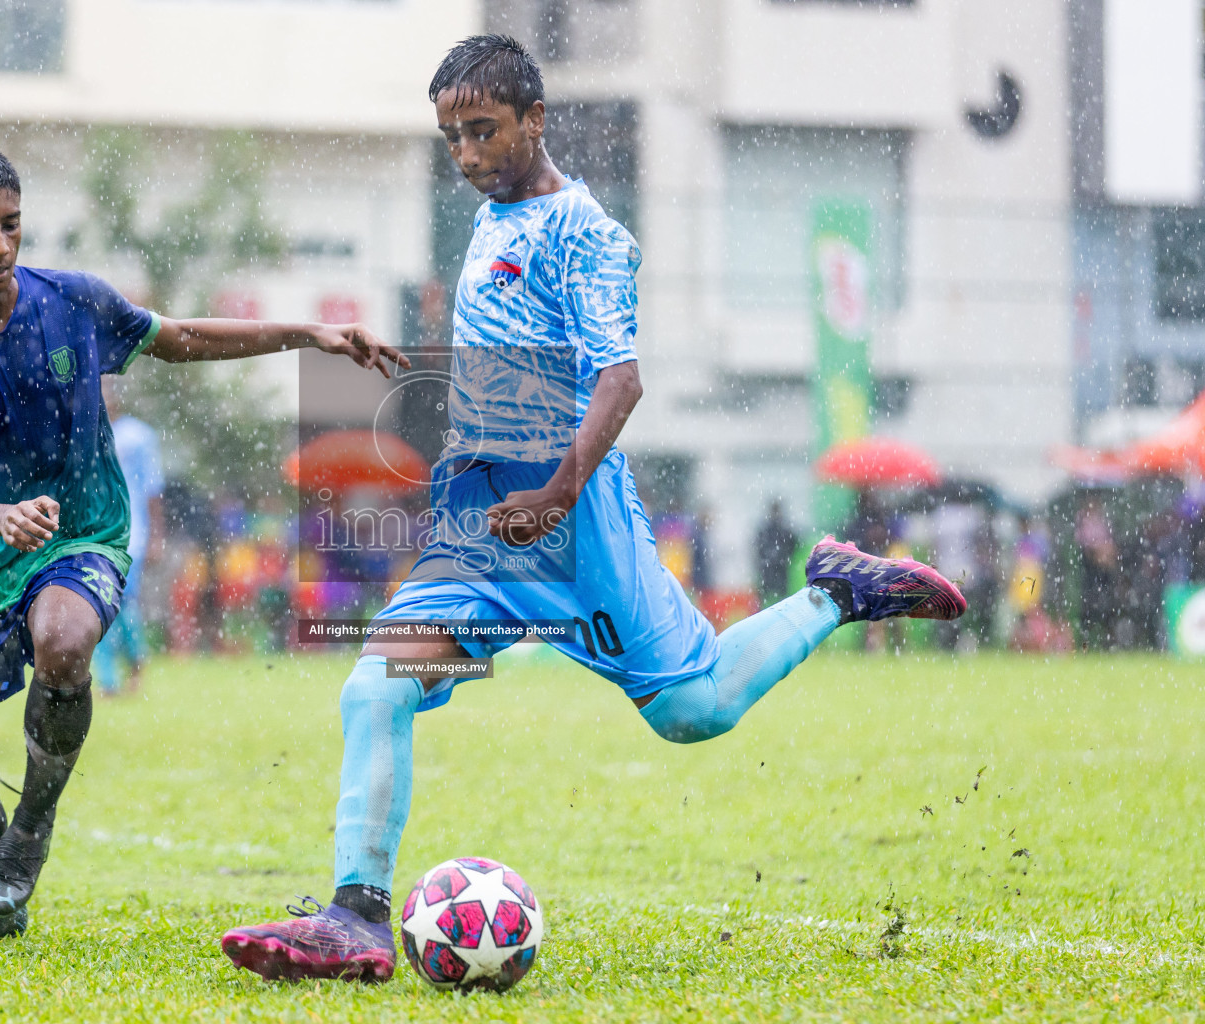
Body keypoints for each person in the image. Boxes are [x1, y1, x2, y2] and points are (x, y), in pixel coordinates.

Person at [220, 37, 969, 983]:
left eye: (484, 130)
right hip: (485, 533)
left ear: (537, 120)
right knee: (375, 688)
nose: (467, 153)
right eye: (452, 135)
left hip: (574, 527)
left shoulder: (588, 233)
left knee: (692, 709)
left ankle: (833, 592)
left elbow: (622, 381)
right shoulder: (491, 218)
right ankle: (357, 915)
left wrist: (557, 491)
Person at [0, 142, 408, 944]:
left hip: (85, 537)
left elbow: (184, 338)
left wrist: (308, 333)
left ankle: (30, 831)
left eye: (11, 225)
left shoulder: (73, 303)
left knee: (65, 640)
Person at [91, 380, 163, 695]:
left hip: (133, 533)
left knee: (121, 604)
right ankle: (108, 681)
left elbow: (153, 490)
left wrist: (158, 535)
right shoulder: (87, 437)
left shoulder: (139, 436)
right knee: (97, 602)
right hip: (95, 533)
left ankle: (135, 661)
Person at [755, 498, 798, 606]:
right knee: (782, 600)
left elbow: (758, 548)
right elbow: (793, 545)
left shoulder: (764, 529)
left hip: (769, 569)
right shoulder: (785, 528)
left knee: (767, 599)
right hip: (779, 568)